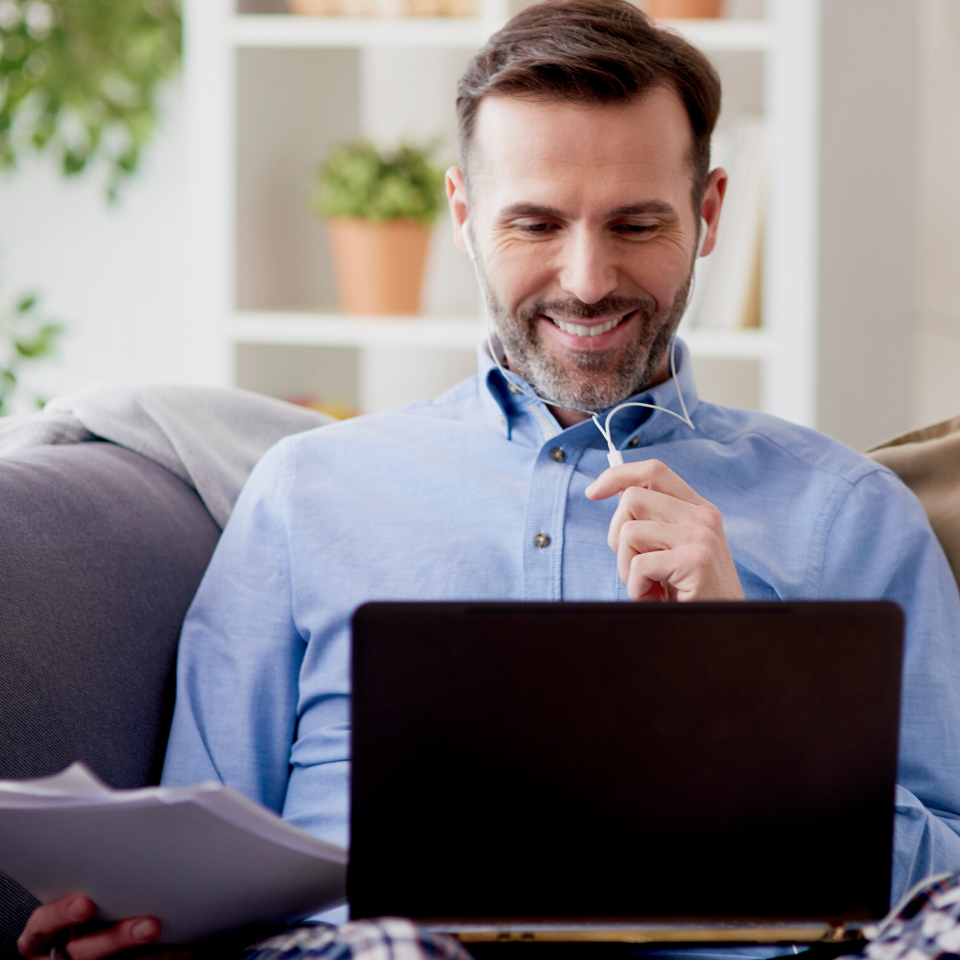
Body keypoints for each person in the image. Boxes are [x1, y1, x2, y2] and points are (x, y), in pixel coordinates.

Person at [18, 1, 960, 958]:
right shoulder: (306, 493)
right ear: (463, 217)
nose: (587, 279)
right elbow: (202, 844)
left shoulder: (850, 518)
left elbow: (948, 887)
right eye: (536, 224)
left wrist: (755, 696)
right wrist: (137, 923)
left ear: (708, 213)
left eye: (637, 223)